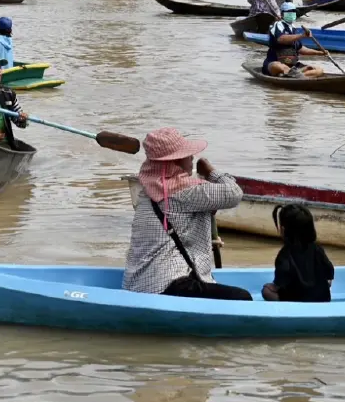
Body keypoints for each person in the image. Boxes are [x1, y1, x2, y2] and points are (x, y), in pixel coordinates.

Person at [122, 127, 251, 301]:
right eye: (186, 155)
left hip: (139, 283)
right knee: (243, 297)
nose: (191, 157)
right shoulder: (186, 191)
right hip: (167, 284)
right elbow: (234, 193)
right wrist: (211, 172)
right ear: (174, 161)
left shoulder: (148, 189)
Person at [260, 204, 333, 302]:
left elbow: (280, 282)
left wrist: (272, 286)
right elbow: (329, 273)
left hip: (294, 301)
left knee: (266, 291)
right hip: (322, 299)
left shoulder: (284, 255)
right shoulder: (318, 249)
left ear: (283, 230)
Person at [262, 3, 326, 79]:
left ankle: (295, 76)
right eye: (289, 12)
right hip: (275, 62)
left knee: (319, 70)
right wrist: (302, 36)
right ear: (282, 14)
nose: (292, 14)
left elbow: (300, 49)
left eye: (293, 12)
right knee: (279, 66)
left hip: (293, 66)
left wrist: (319, 53)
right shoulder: (278, 25)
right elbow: (281, 39)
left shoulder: (293, 29)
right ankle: (293, 74)